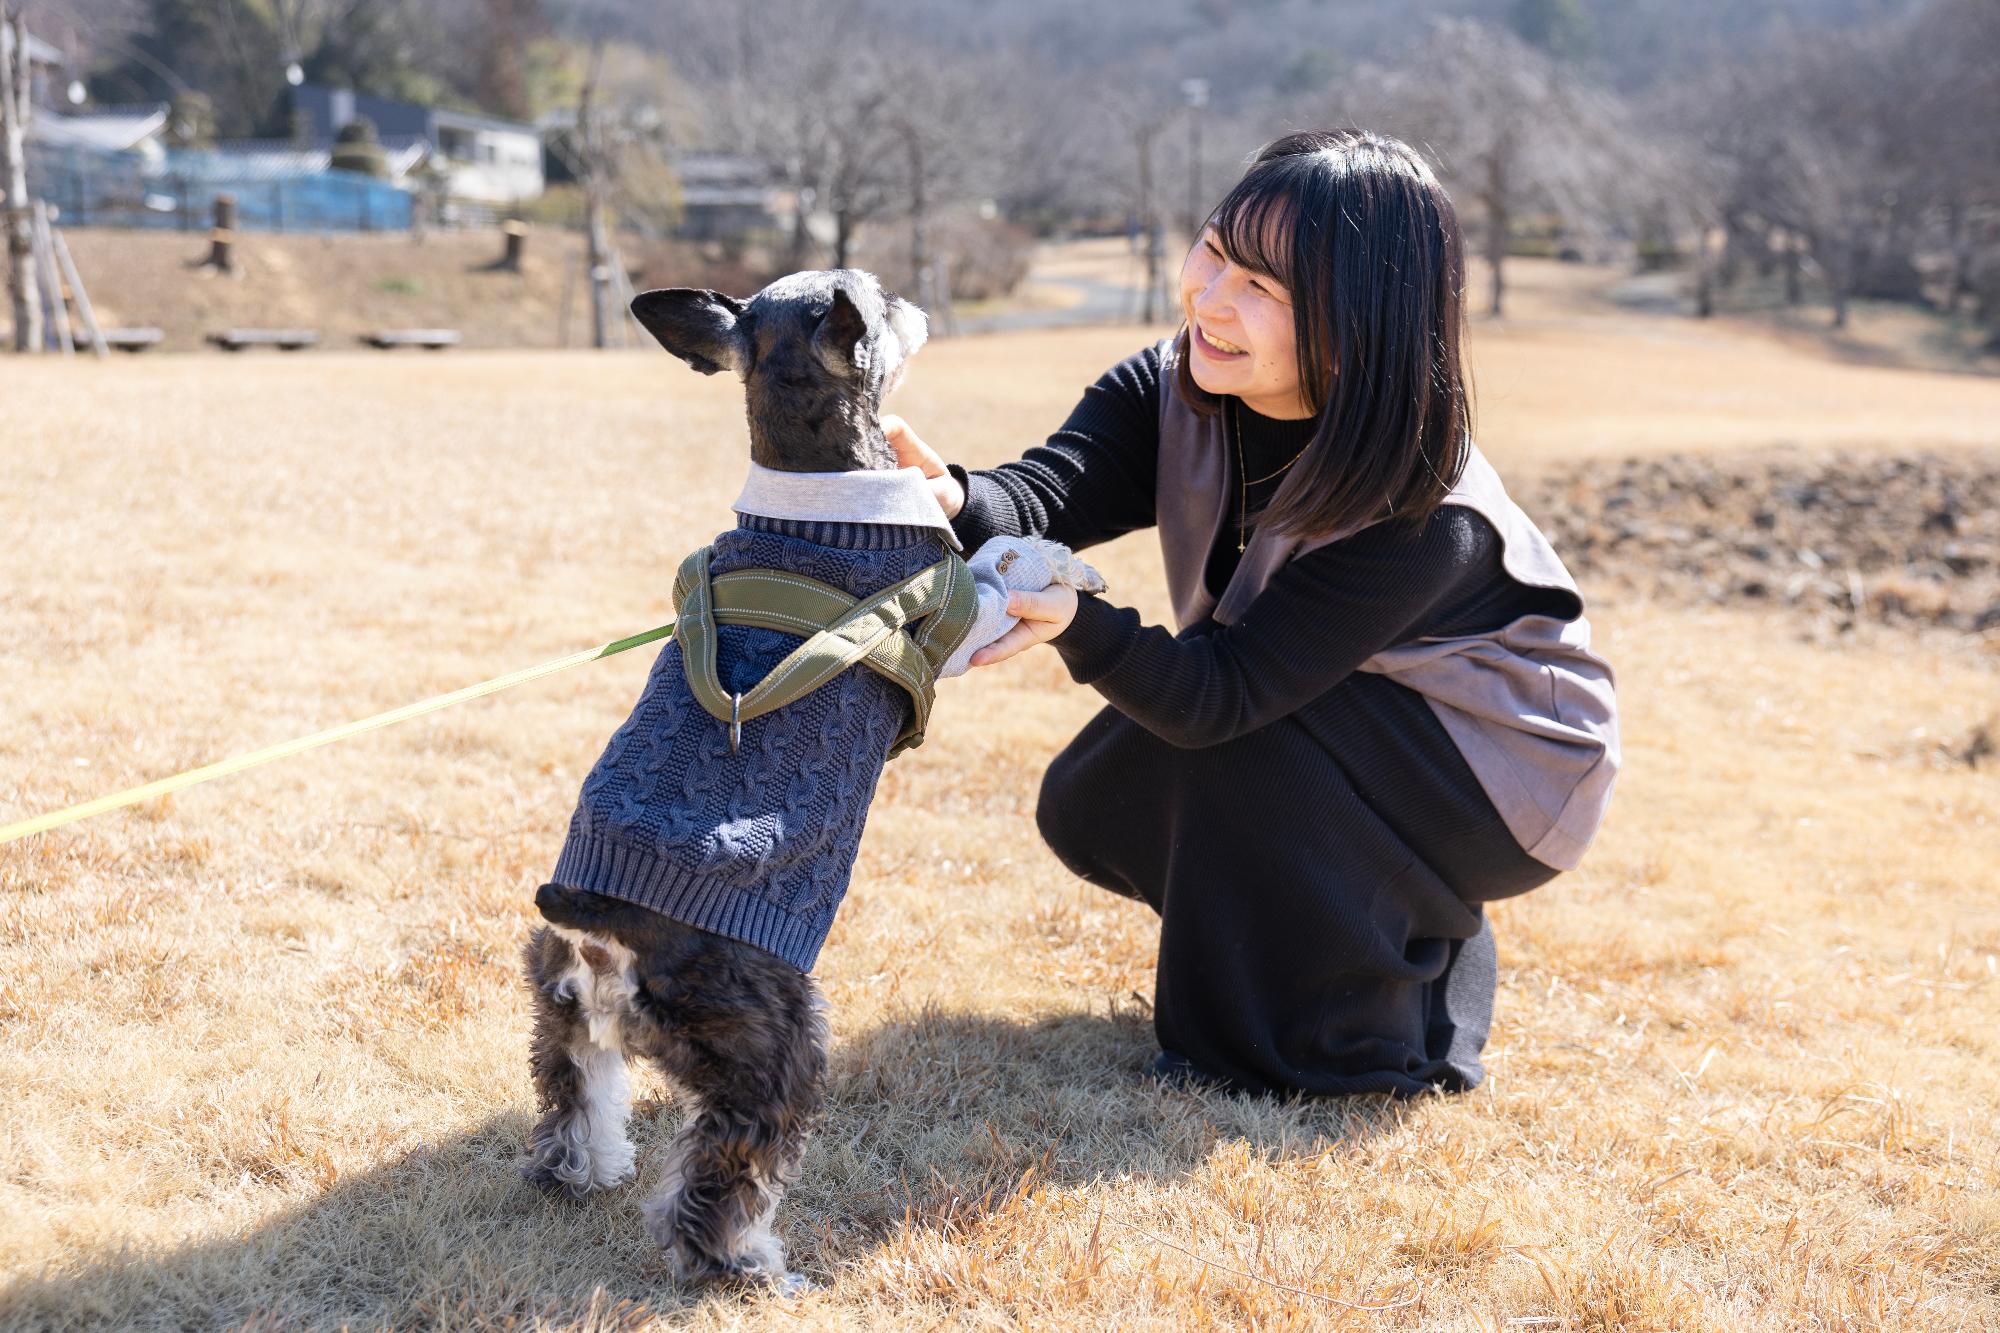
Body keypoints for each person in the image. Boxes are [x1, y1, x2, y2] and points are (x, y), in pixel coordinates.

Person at [882, 129, 1619, 1099]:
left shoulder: (1418, 506)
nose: (1211, 299)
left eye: (1263, 289)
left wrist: (1078, 622)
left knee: (1228, 749)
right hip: (1336, 710)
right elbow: (1051, 489)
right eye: (1216, 251)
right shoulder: (1172, 381)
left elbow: (1221, 695)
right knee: (1094, 797)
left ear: (1358, 318)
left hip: (1500, 777)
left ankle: (1367, 1022)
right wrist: (952, 498)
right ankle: (1385, 930)